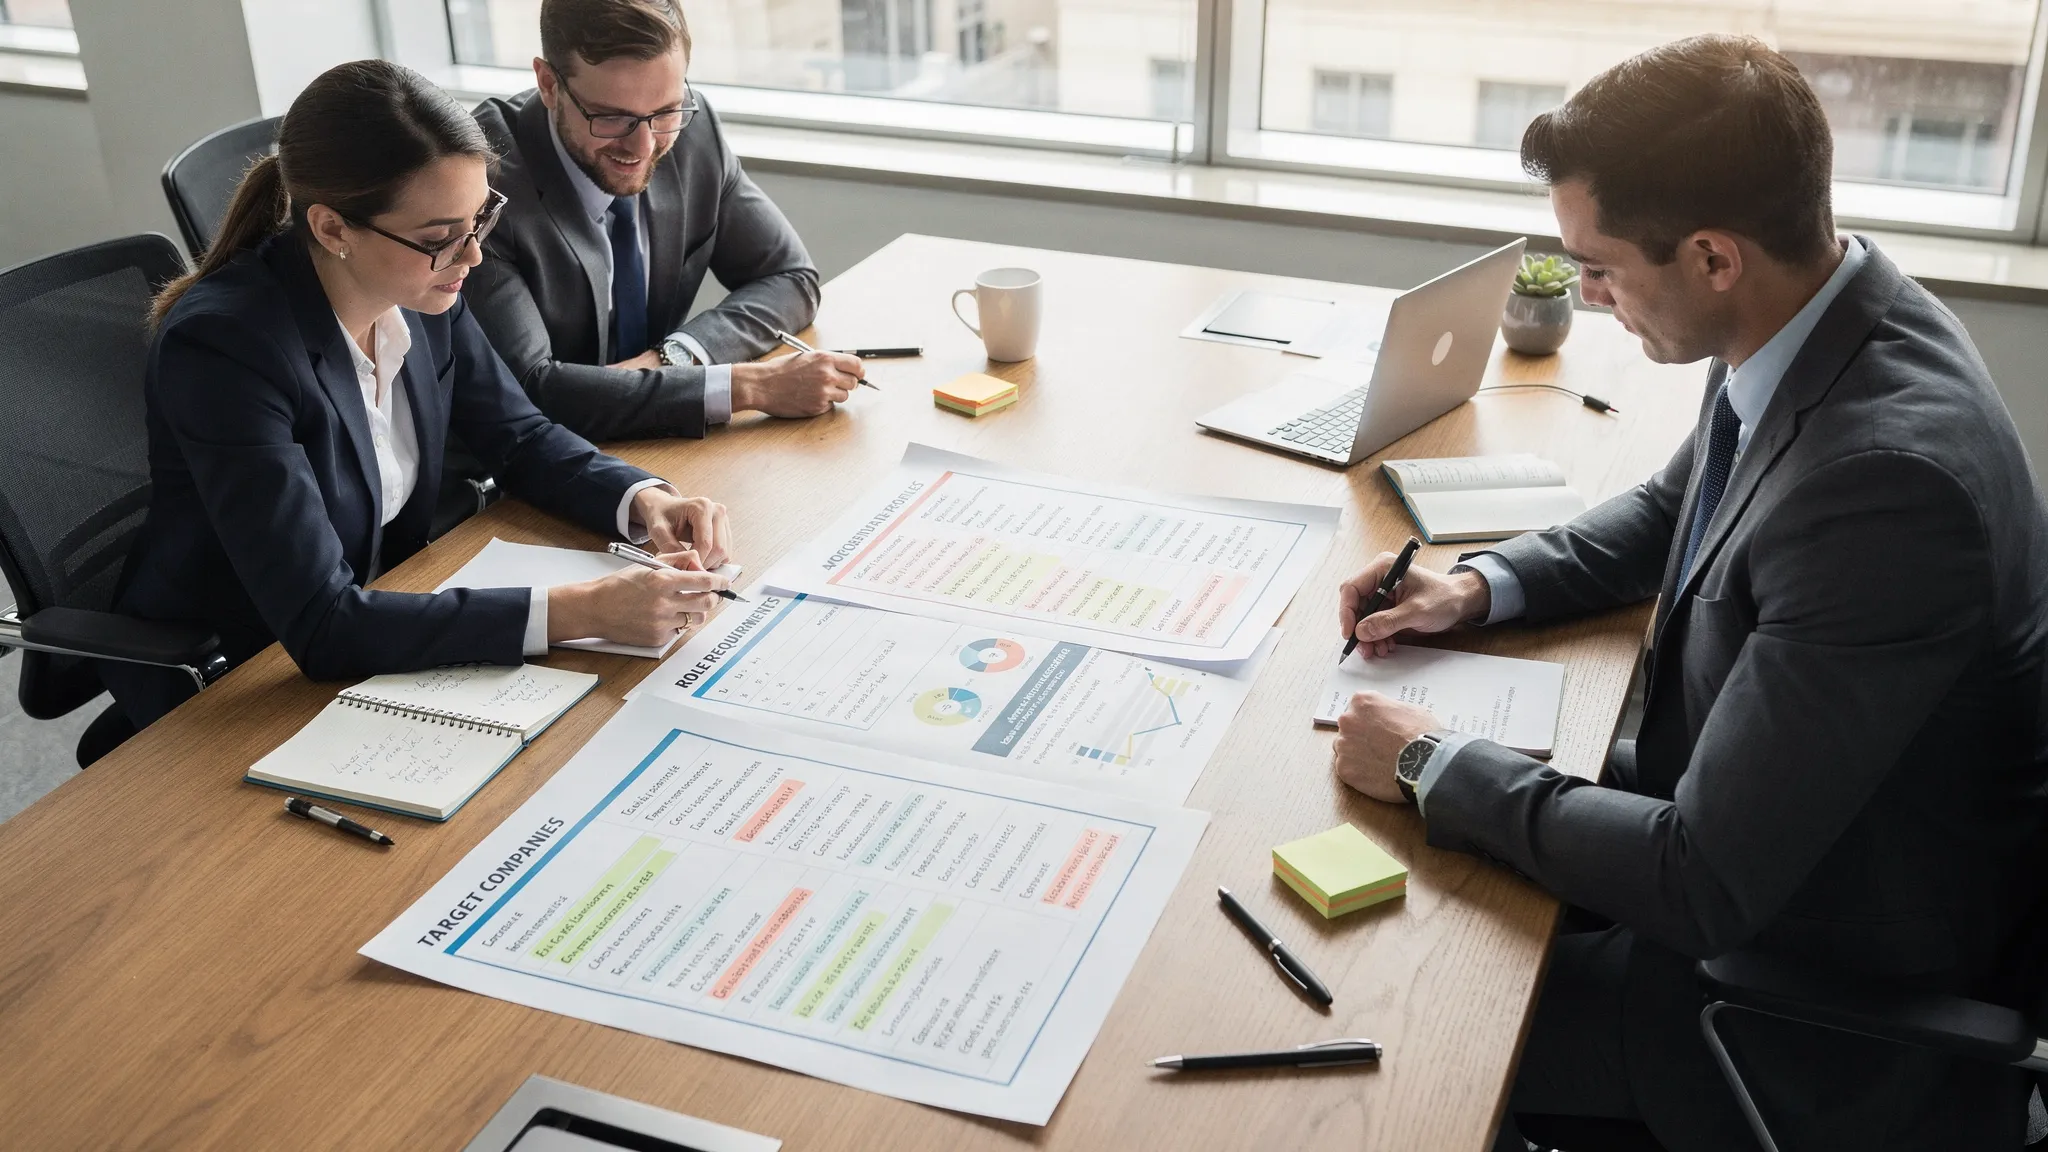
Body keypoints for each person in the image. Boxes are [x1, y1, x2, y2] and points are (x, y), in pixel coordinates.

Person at [1327, 35, 2048, 1152]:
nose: (1588, 295)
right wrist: (1474, 588)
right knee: (1413, 897)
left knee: (1391, 1026)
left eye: (1600, 268)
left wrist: (1429, 761)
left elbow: (1701, 880)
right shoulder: (1821, 317)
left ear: (1712, 257)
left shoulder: (1887, 491)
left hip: (1792, 999)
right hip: (1749, 845)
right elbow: (1680, 507)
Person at [104, 59, 735, 730]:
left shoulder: (421, 288)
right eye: (440, 238)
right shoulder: (227, 349)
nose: (473, 257)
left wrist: (644, 501)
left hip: (390, 608)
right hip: (238, 680)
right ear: (332, 229)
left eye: (479, 220)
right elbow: (323, 624)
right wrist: (585, 610)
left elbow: (518, 437)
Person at [464, 0, 865, 444]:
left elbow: (790, 277)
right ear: (548, 84)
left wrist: (674, 357)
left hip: (656, 446)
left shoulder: (695, 131)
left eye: (666, 112)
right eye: (611, 117)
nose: (644, 146)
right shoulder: (479, 180)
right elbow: (531, 391)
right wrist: (747, 386)